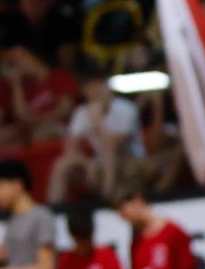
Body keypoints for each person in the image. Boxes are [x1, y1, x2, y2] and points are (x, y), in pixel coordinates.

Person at [49, 64, 142, 204]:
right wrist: (87, 163)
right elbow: (70, 148)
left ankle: (106, 198)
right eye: (88, 88)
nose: (93, 92)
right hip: (99, 161)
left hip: (128, 158)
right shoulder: (82, 112)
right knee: (63, 163)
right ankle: (55, 207)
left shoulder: (126, 108)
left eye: (97, 86)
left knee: (109, 151)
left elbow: (114, 145)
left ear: (106, 86)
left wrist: (97, 121)